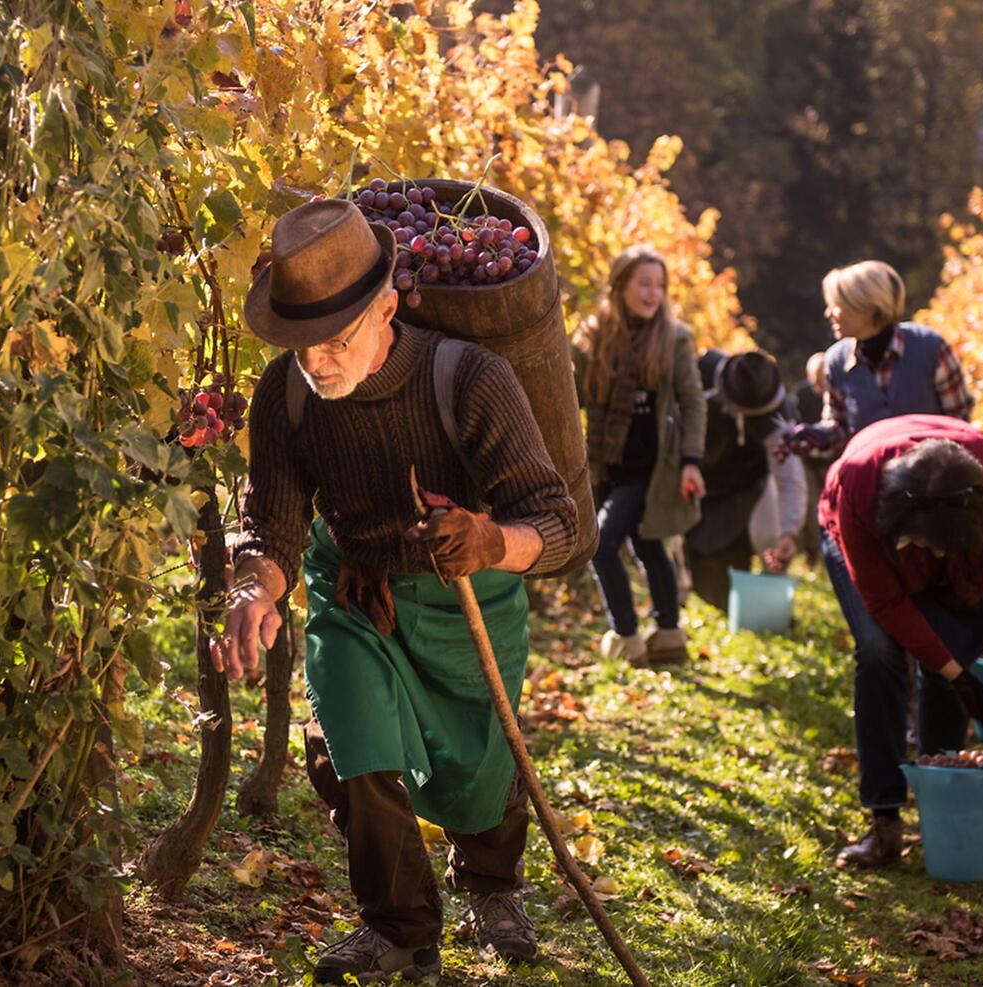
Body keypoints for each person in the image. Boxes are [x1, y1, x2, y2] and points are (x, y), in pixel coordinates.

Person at [218, 199, 580, 982]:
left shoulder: (470, 379)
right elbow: (272, 529)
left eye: (335, 339)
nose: (316, 361)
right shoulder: (287, 398)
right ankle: (400, 927)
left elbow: (557, 522)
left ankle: (489, 882)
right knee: (350, 743)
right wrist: (254, 590)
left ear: (387, 306)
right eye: (300, 342)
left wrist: (490, 539)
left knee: (481, 762)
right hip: (358, 590)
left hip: (469, 596)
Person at [818, 414, 983, 868]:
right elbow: (884, 602)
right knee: (880, 652)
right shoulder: (860, 484)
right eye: (930, 547)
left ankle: (938, 809)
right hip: (858, 530)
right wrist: (956, 674)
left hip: (961, 553)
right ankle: (884, 822)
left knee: (948, 660)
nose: (937, 557)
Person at [571, 245, 708, 666]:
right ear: (620, 285)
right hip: (606, 461)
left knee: (602, 545)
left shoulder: (674, 337)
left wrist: (691, 460)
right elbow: (570, 394)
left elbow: (692, 402)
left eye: (659, 286)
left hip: (653, 466)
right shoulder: (592, 335)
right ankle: (668, 634)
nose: (653, 294)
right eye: (644, 283)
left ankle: (628, 636)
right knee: (648, 546)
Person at [787, 260, 973, 457]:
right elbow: (838, 429)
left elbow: (959, 419)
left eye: (837, 305)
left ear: (868, 307)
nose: (829, 313)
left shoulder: (931, 348)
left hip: (935, 474)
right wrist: (810, 438)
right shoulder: (836, 362)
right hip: (873, 481)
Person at [681, 349, 807, 610]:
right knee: (710, 577)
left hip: (752, 486)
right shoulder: (698, 376)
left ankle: (772, 606)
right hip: (704, 487)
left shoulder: (776, 417)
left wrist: (789, 531)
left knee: (771, 538)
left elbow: (789, 478)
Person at [793, 352, 832, 567]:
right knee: (811, 508)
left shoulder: (837, 392)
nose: (819, 386)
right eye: (815, 381)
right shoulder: (801, 395)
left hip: (833, 460)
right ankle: (813, 554)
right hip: (807, 460)